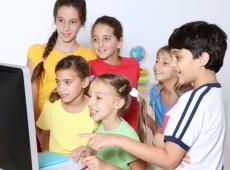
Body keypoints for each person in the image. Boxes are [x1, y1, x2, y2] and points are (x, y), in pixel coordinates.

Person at [81, 21, 227, 170]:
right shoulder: (214, 93)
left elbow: (168, 160)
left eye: (179, 57)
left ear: (202, 58)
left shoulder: (193, 101)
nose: (175, 65)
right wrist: (160, 139)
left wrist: (115, 139)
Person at [27, 0, 95, 121]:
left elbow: (95, 98)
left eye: (73, 22)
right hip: (41, 127)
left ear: (82, 23)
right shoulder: (37, 52)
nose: (66, 28)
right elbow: (30, 100)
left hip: (76, 127)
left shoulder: (91, 56)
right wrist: (41, 133)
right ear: (55, 19)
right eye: (61, 20)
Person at [71, 74, 145, 170]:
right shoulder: (100, 125)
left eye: (98, 97)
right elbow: (100, 153)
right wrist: (89, 151)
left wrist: (104, 166)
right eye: (90, 96)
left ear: (117, 103)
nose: (90, 103)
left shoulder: (128, 136)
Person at [89, 15, 142, 133]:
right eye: (95, 39)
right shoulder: (89, 67)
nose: (100, 44)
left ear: (119, 42)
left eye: (106, 39)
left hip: (130, 132)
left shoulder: (133, 65)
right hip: (103, 133)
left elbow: (133, 99)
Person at [36, 55, 97, 154]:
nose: (61, 88)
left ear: (85, 82)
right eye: (58, 82)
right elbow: (45, 136)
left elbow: (100, 147)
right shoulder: (50, 106)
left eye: (67, 82)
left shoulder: (97, 108)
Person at [147, 46, 192, 135]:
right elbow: (157, 123)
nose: (156, 66)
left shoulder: (186, 97)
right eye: (157, 61)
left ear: (179, 68)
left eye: (165, 63)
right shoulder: (155, 91)